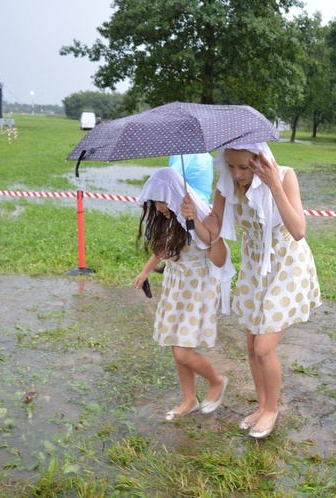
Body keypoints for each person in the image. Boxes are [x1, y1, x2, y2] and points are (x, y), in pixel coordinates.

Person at [211, 142, 321, 439]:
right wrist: (192, 213)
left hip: (286, 263)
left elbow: (298, 230)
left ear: (259, 161)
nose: (238, 174)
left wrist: (274, 185)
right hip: (254, 265)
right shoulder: (225, 182)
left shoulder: (284, 175)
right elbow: (213, 228)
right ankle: (261, 406)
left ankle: (272, 409)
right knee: (250, 345)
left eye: (245, 167)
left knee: (263, 347)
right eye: (232, 166)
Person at [134, 168, 234, 421]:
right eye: (155, 201)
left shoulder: (204, 216)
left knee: (183, 352)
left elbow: (219, 259)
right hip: (175, 287)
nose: (160, 206)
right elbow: (161, 250)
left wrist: (194, 221)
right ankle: (189, 400)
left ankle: (217, 381)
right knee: (175, 345)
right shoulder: (168, 219)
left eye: (164, 200)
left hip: (197, 290)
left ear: (176, 194)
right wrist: (145, 272)